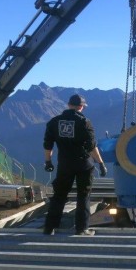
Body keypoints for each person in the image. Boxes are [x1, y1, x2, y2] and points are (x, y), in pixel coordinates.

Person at [42, 94, 107, 235]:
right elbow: (91, 147)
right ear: (81, 107)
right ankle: (82, 228)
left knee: (59, 195)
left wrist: (48, 161)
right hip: (83, 164)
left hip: (64, 164)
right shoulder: (85, 122)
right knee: (83, 196)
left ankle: (49, 227)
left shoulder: (54, 122)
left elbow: (48, 145)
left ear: (68, 104)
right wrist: (101, 163)